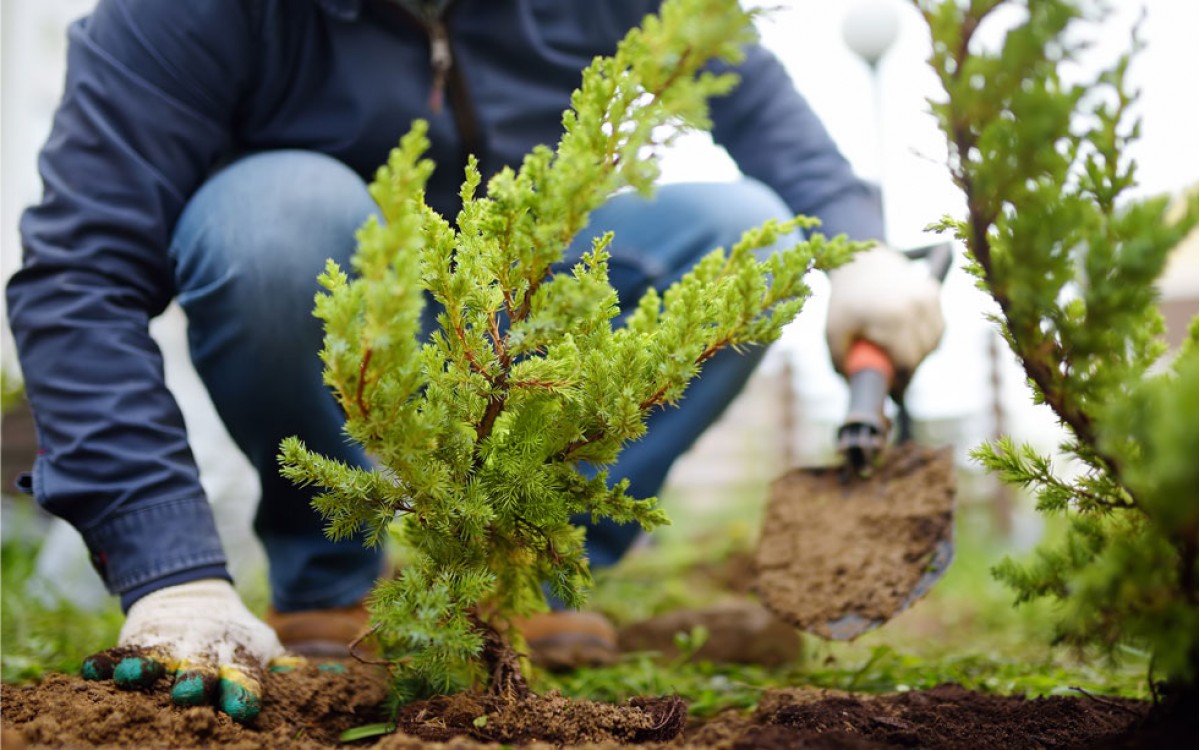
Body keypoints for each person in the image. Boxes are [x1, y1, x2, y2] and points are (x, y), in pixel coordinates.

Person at [6, 0, 944, 719]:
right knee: (276, 215)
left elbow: (748, 85)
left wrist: (861, 246)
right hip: (332, 304)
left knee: (762, 240)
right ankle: (333, 580)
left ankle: (525, 565)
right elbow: (78, 275)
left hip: (521, 303)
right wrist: (170, 570)